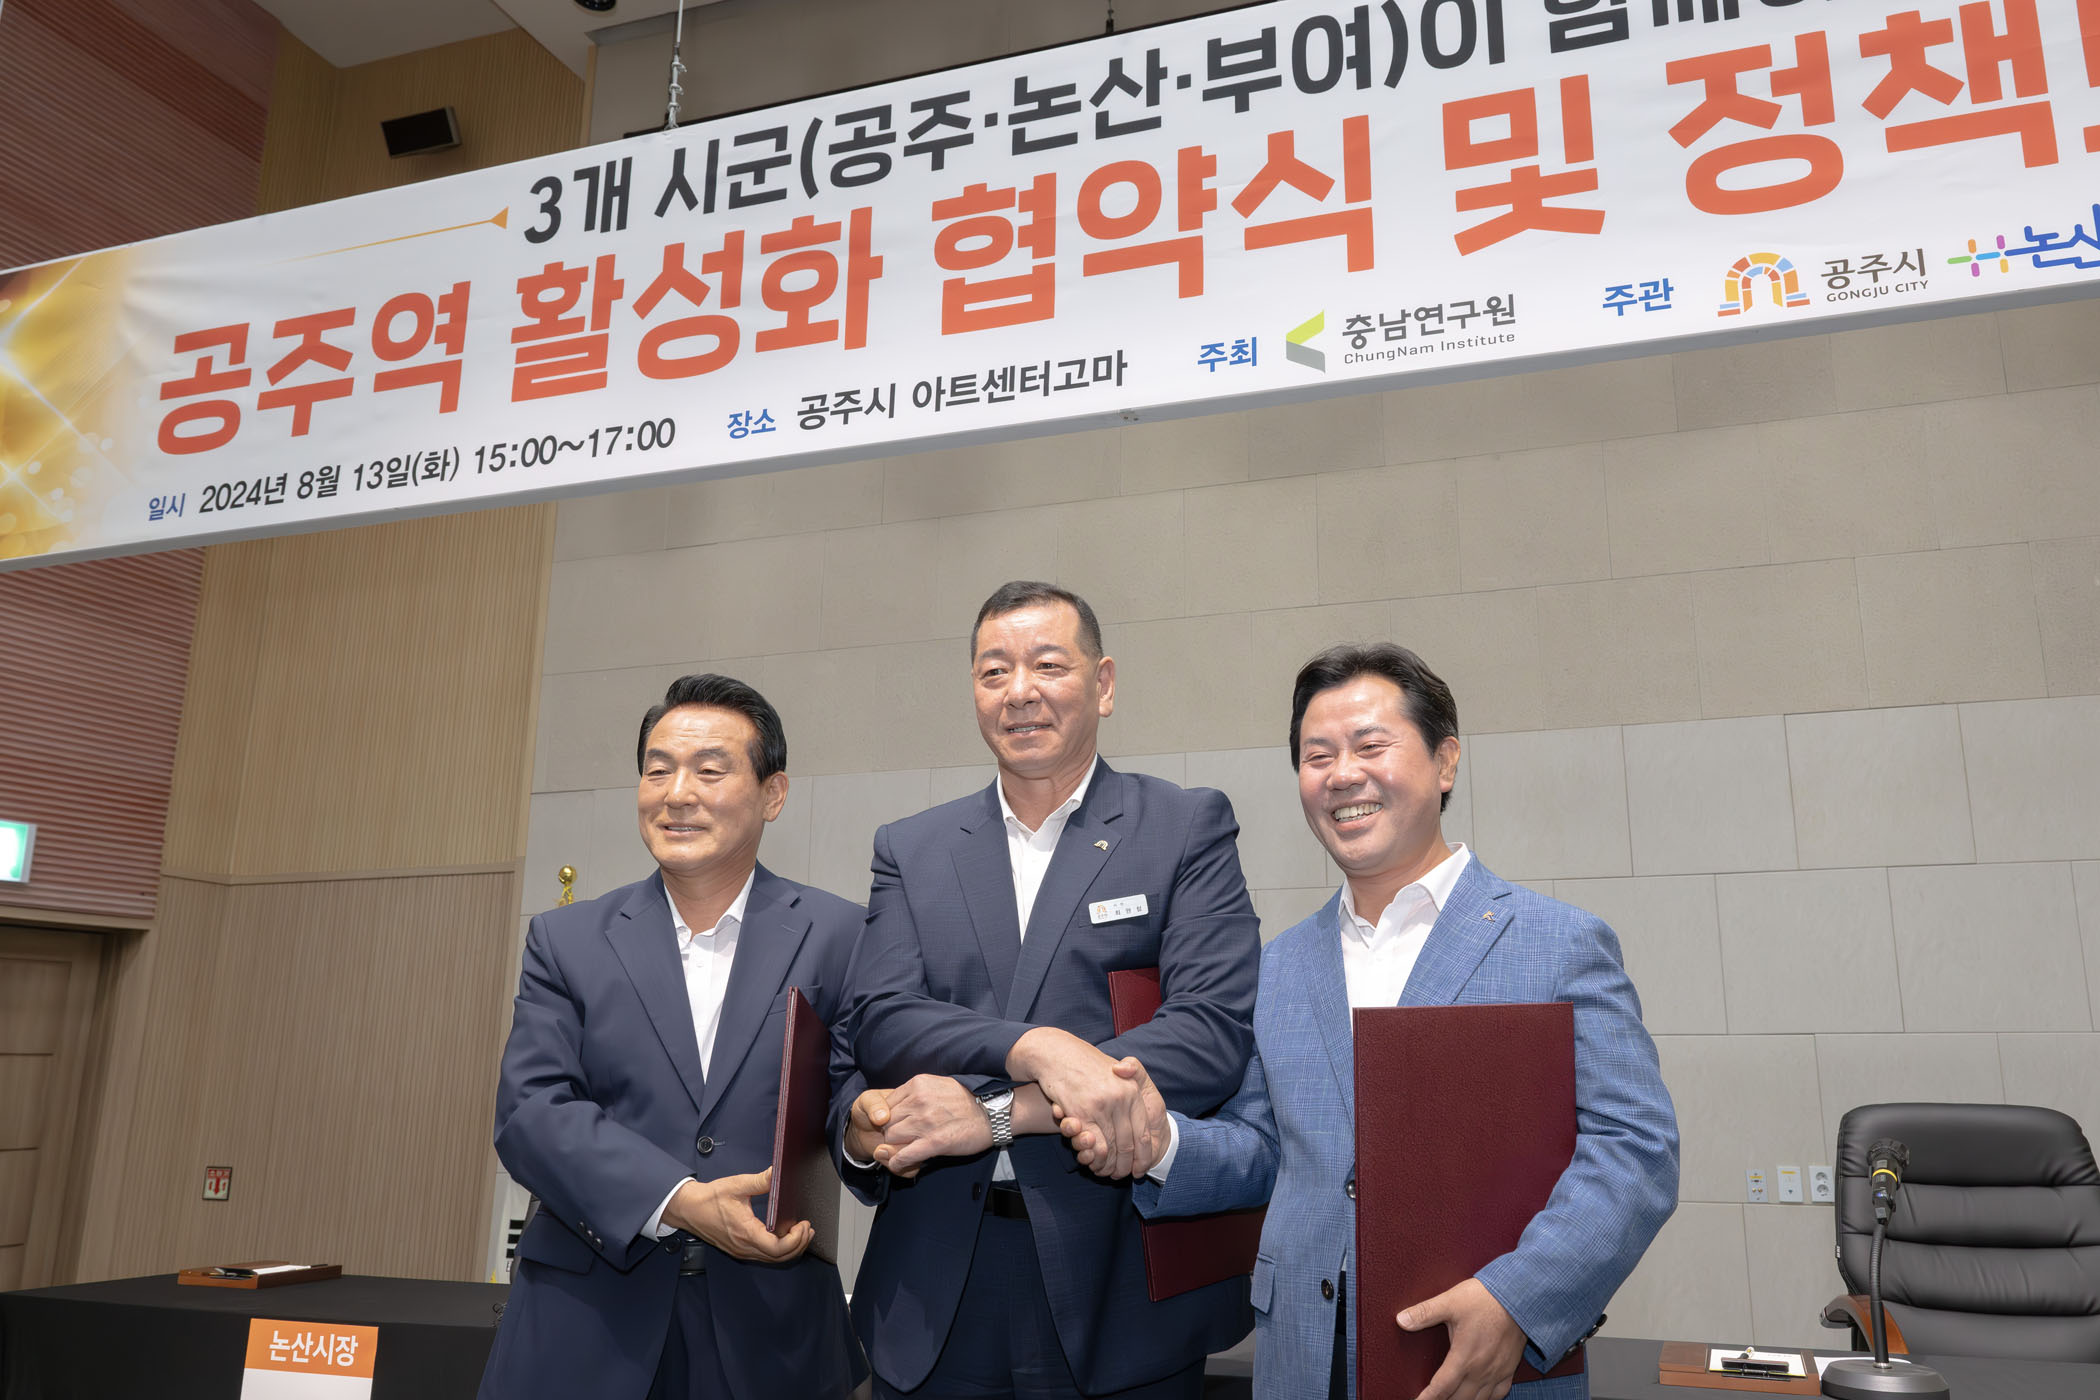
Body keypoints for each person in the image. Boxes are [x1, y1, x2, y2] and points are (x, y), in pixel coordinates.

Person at [1129, 644, 1678, 1400]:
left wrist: (1517, 1299)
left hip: (1477, 1361)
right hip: (1301, 1361)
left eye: (1370, 746)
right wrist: (1161, 1145)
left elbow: (1635, 1150)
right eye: (1317, 756)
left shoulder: (1558, 944)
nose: (1341, 775)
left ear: (1445, 762)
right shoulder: (1279, 966)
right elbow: (1266, 1147)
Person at [835, 580, 1260, 1400]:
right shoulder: (913, 848)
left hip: (1121, 1282)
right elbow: (883, 1021)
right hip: (935, 1289)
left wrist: (997, 1113)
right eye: (994, 671)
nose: (1019, 691)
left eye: (1048, 665)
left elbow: (1209, 1033)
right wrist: (1036, 1049)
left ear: (1104, 683)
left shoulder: (1183, 826)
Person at [479, 674, 867, 1400]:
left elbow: (853, 1104)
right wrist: (680, 1200)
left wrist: (869, 1128)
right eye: (658, 771)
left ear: (773, 794)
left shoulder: (841, 935)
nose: (676, 794)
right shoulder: (568, 940)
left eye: (709, 770)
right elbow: (530, 1113)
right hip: (585, 1325)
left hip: (772, 1331)